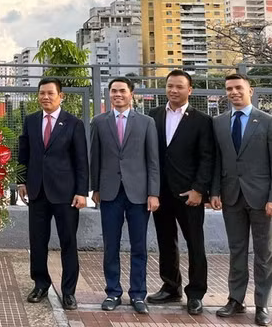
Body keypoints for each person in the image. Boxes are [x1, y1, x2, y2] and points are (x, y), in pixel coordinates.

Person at [210, 73, 272, 326]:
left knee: (264, 254)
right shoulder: (219, 122)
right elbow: (217, 161)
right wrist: (215, 191)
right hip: (231, 197)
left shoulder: (267, 121)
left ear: (250, 90)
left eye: (238, 88)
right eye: (229, 89)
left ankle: (262, 304)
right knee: (237, 251)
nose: (234, 92)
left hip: (263, 199)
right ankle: (235, 299)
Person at [146, 69, 214, 315]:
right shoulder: (152, 116)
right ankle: (170, 286)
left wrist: (199, 190)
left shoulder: (202, 120)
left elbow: (207, 158)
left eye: (179, 86)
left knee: (195, 244)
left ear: (190, 90)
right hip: (161, 193)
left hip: (189, 195)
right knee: (166, 242)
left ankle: (195, 293)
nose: (173, 90)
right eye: (170, 86)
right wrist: (151, 190)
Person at [90, 76, 159, 314]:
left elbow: (152, 161)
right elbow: (95, 158)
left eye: (122, 90)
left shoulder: (146, 122)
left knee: (139, 246)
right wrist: (95, 188)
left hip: (139, 195)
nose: (117, 95)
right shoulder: (98, 122)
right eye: (113, 91)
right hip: (110, 193)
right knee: (111, 245)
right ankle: (113, 292)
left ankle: (138, 294)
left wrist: (153, 193)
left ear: (132, 94)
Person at [18, 77, 88, 310]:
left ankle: (68, 291)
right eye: (41, 93)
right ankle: (40, 284)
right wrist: (21, 182)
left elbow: (81, 161)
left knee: (68, 242)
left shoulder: (73, 123)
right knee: (37, 241)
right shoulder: (30, 121)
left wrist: (81, 191)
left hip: (65, 194)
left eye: (50, 93)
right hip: (37, 191)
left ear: (61, 96)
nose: (45, 97)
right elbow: (24, 153)